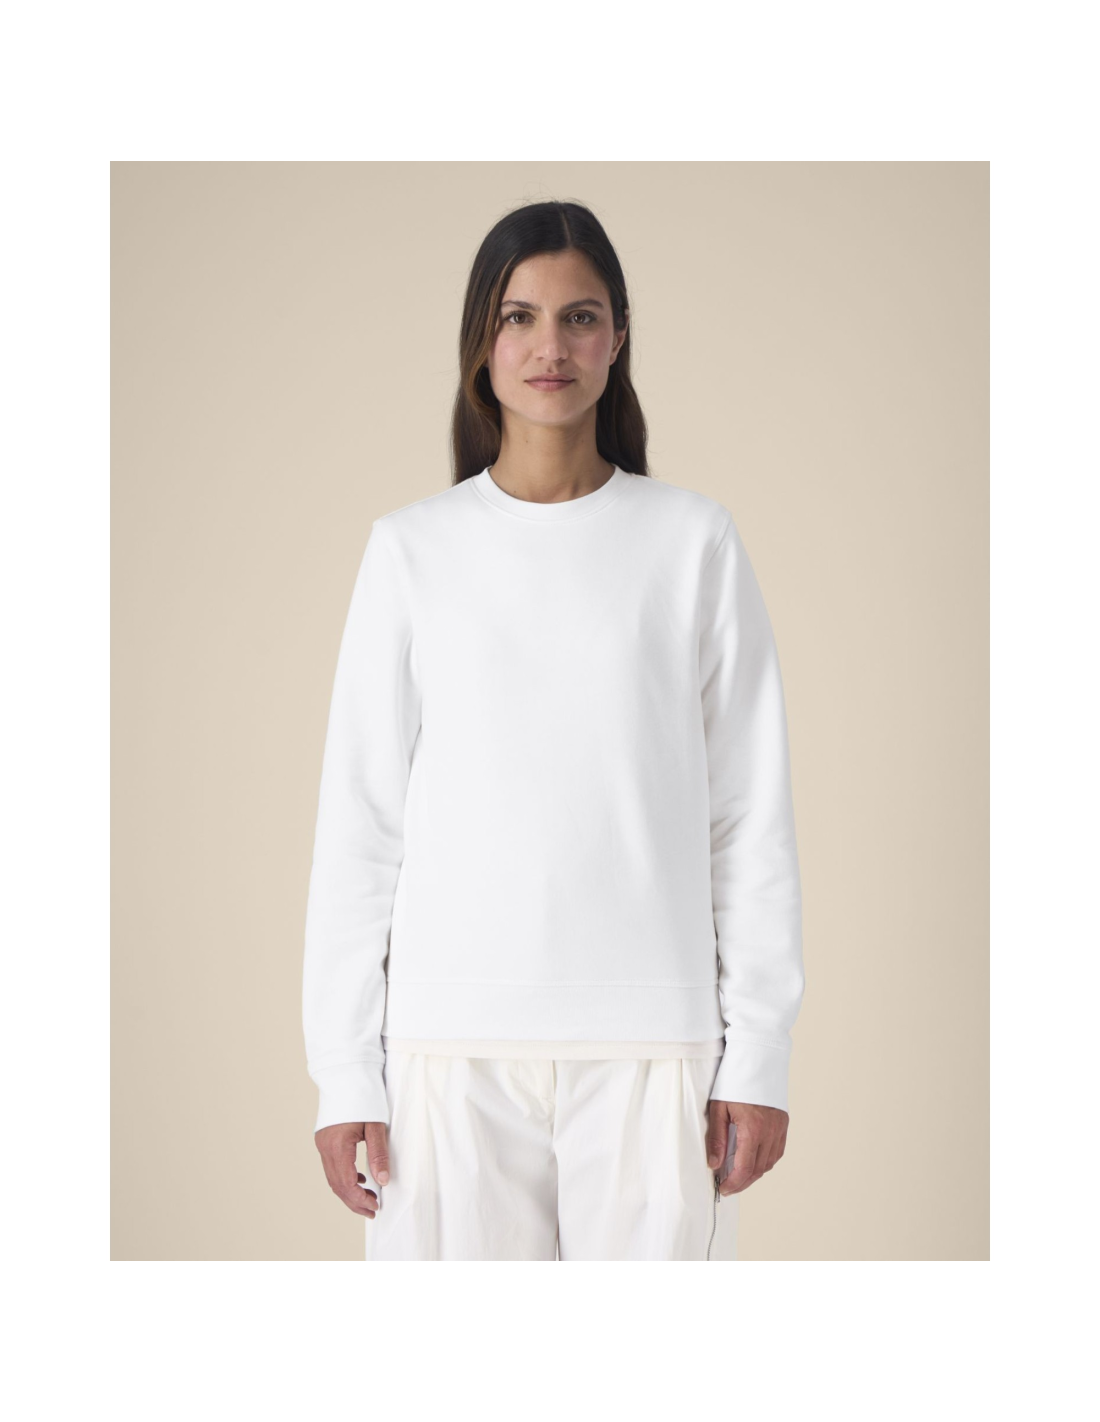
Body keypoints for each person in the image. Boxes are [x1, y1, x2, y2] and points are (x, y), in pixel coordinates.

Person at [302, 199, 805, 1261]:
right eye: (518, 317)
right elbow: (361, 823)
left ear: (617, 338)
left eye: (580, 317)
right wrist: (344, 1073)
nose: (550, 348)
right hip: (447, 1049)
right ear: (480, 344)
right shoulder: (411, 552)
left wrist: (756, 1055)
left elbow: (747, 816)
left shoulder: (692, 542)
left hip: (652, 1046)